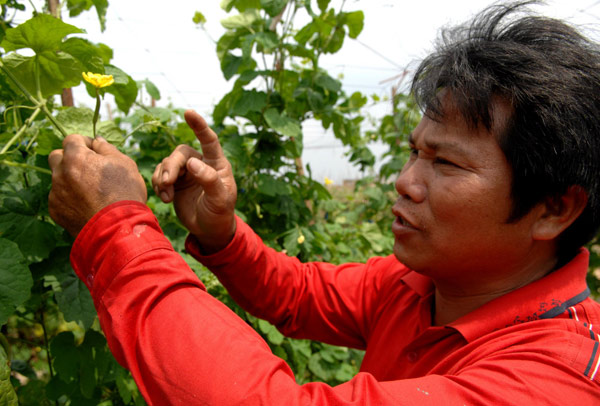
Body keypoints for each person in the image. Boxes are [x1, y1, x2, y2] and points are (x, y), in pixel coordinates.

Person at [47, 1, 600, 404]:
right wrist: (220, 233)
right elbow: (298, 294)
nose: (406, 181)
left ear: (554, 209)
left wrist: (117, 231)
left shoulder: (554, 381)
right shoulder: (419, 284)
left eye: (446, 163)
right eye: (413, 152)